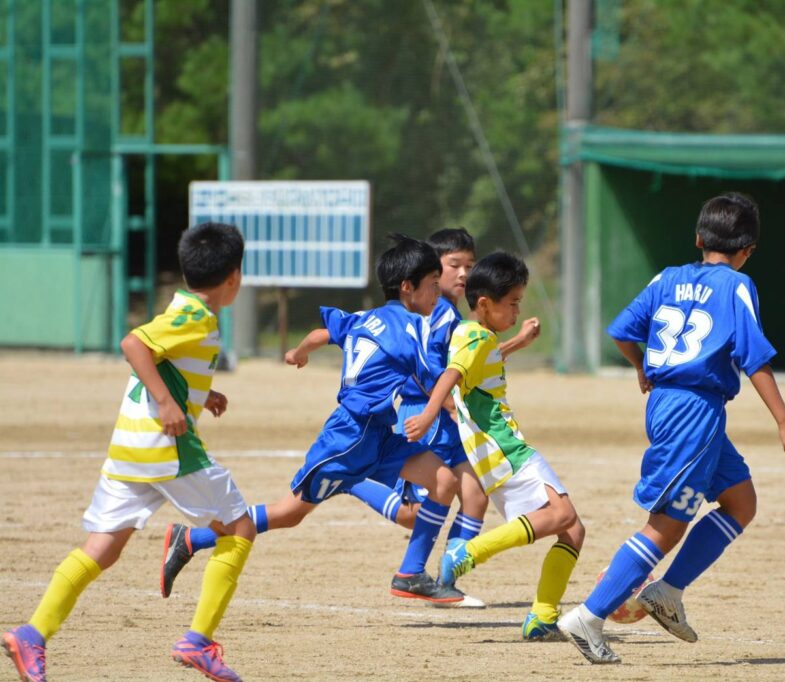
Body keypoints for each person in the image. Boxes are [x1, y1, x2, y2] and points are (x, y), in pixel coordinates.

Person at [160, 229, 540, 606]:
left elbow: (322, 332)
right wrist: (438, 411)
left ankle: (410, 573)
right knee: (289, 513)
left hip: (383, 433)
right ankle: (192, 538)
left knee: (442, 482)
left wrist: (299, 352)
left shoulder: (369, 317)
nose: (438, 291)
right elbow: (439, 378)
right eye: (432, 284)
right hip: (350, 437)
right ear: (408, 287)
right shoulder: (413, 329)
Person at [557, 192, 785, 664]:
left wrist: (641, 367)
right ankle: (589, 617)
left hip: (672, 405)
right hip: (694, 411)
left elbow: (621, 330)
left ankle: (668, 592)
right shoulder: (737, 286)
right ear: (749, 249)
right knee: (667, 527)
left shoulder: (667, 278)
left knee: (741, 501)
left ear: (698, 239)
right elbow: (754, 356)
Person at [3, 223, 255, 682]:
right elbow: (134, 344)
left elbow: (164, 359)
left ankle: (32, 634)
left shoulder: (183, 308)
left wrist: (203, 392)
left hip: (130, 446)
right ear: (234, 277)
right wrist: (166, 402)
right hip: (165, 447)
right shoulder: (197, 316)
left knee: (102, 547)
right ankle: (198, 643)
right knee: (239, 527)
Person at [405, 251, 582, 641]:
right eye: (513, 302)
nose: (518, 309)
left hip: (494, 454)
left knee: (573, 531)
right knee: (564, 515)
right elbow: (452, 375)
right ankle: (466, 553)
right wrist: (432, 413)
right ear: (485, 304)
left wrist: (517, 342)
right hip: (506, 449)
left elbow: (478, 365)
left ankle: (541, 617)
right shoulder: (476, 335)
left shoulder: (476, 337)